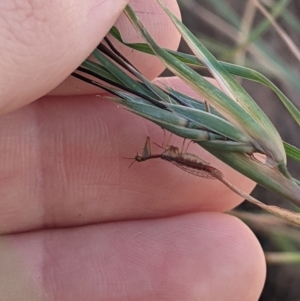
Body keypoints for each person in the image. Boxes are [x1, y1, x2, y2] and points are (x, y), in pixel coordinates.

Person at [0, 0, 265, 300]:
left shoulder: (159, 152)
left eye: (140, 156)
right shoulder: (159, 154)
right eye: (141, 156)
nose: (141, 155)